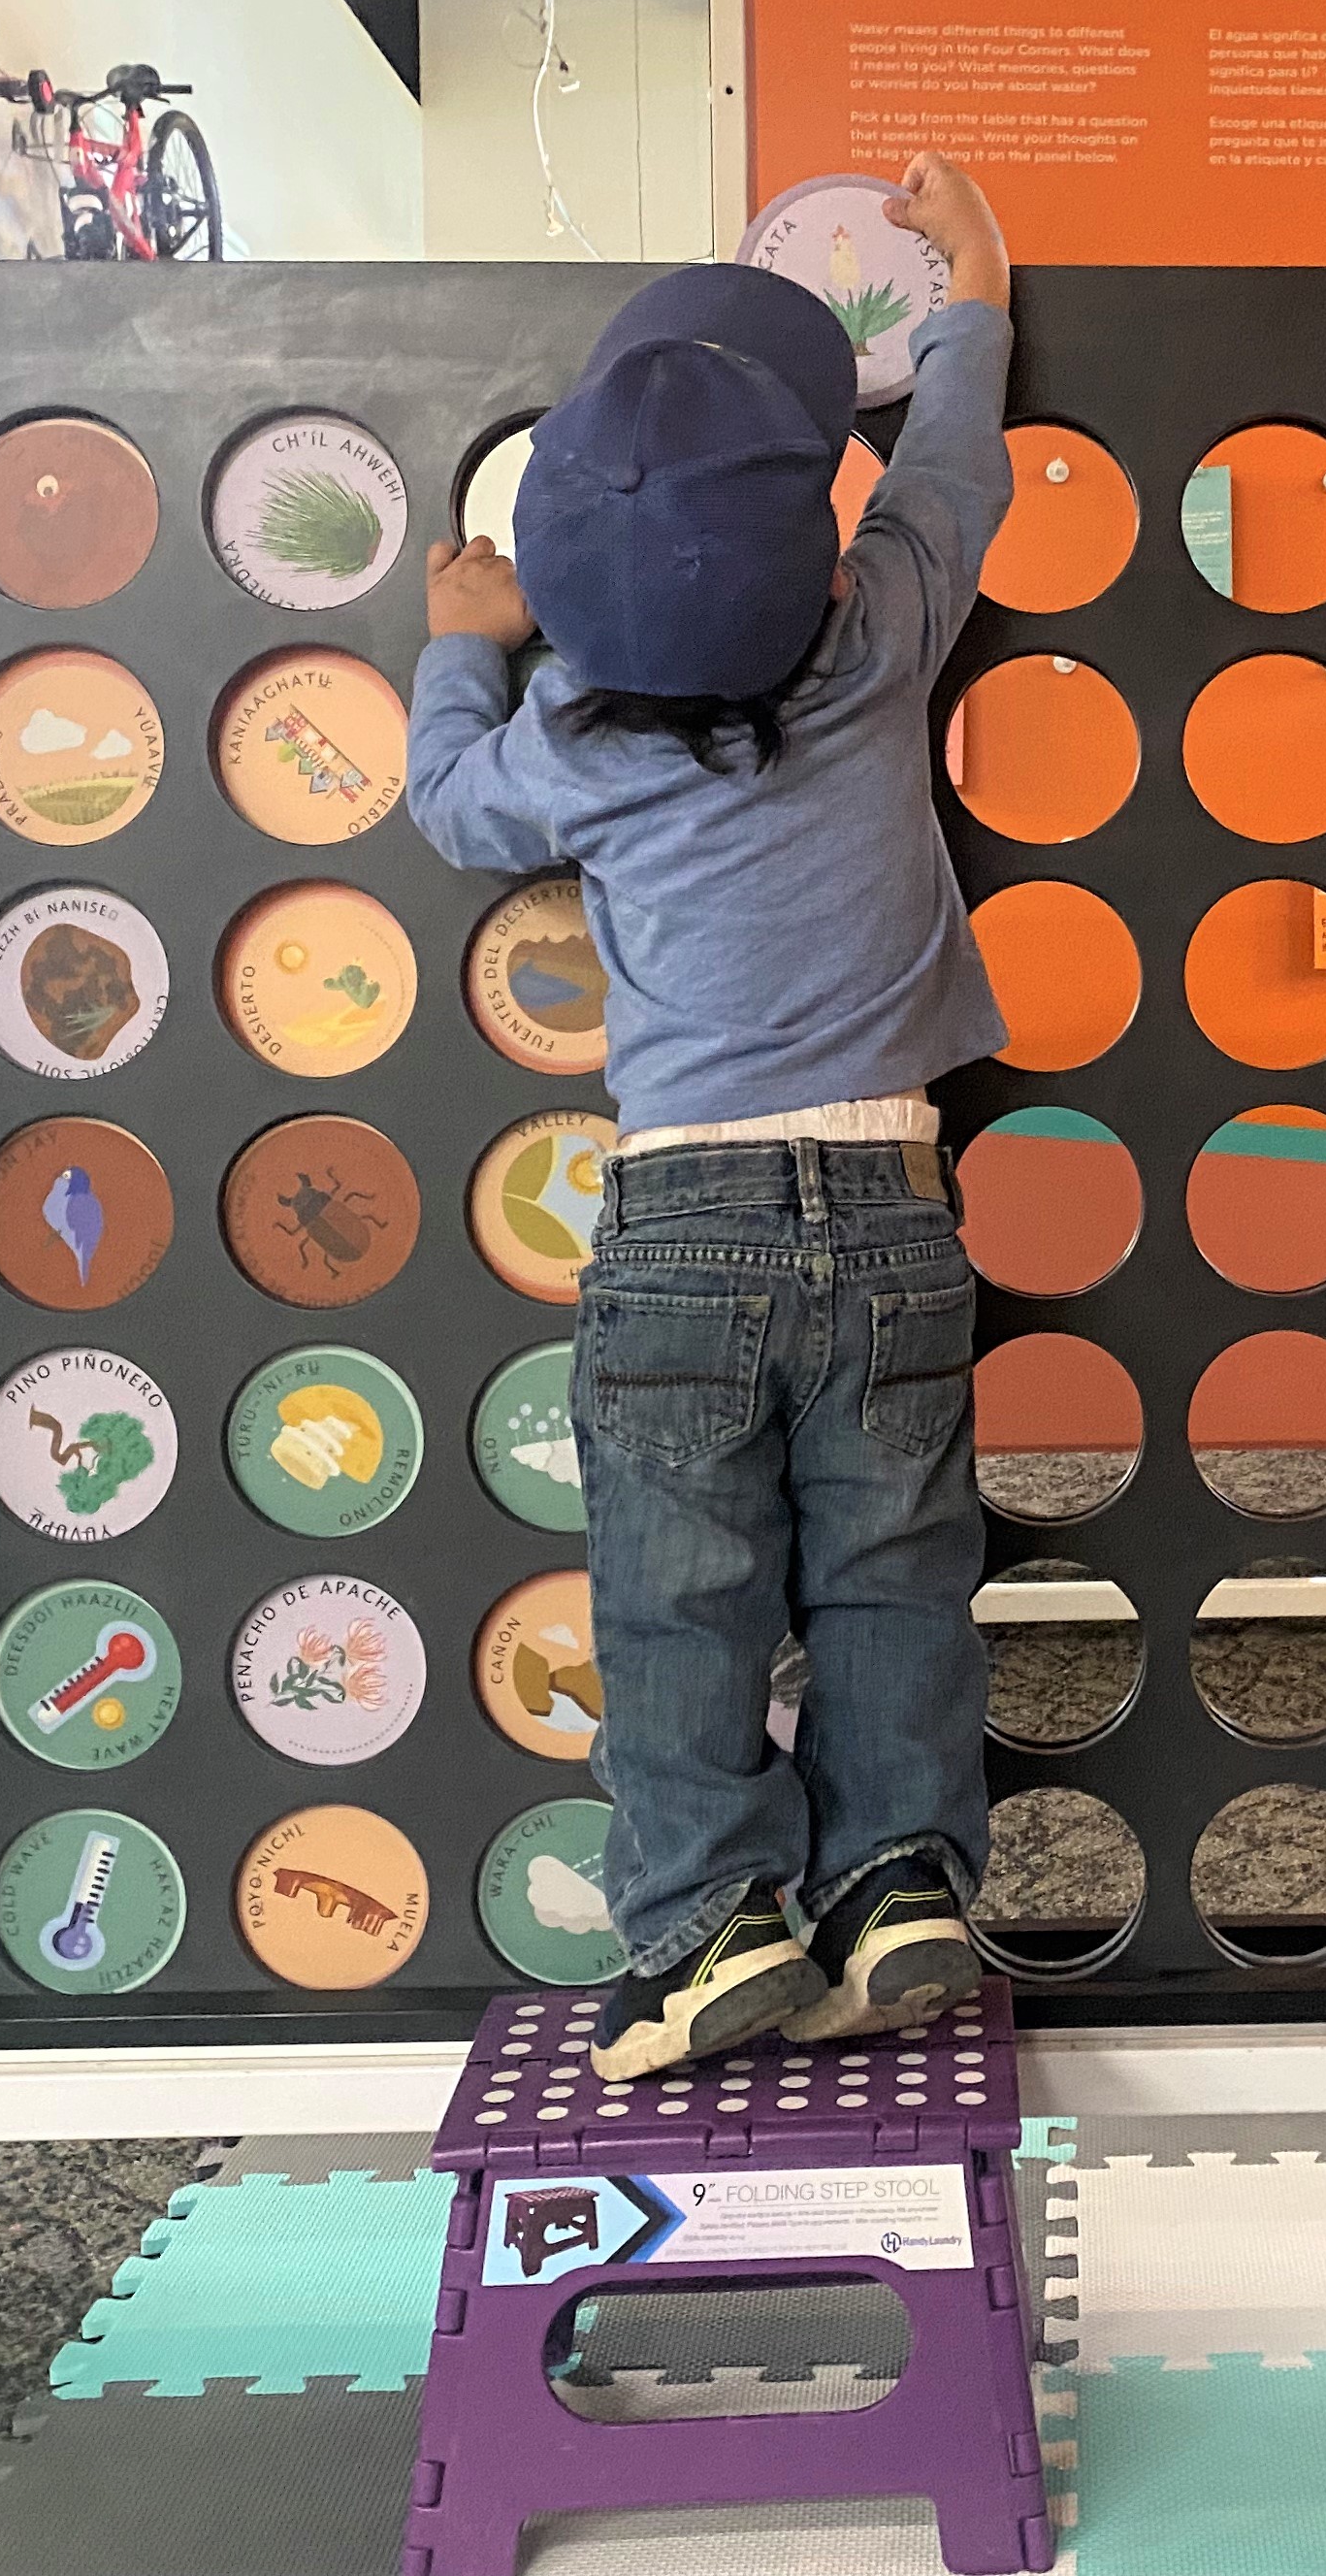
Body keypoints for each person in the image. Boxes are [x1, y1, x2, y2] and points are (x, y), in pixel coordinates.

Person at [408, 157, 1017, 2079]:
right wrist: (972, 289)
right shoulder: (880, 640)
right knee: (892, 1574)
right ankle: (902, 1881)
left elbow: (442, 807)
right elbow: (958, 467)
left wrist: (457, 636)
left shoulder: (569, 741)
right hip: (892, 1207)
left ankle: (707, 1924)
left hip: (676, 1229)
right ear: (814, 548)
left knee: (674, 1605)